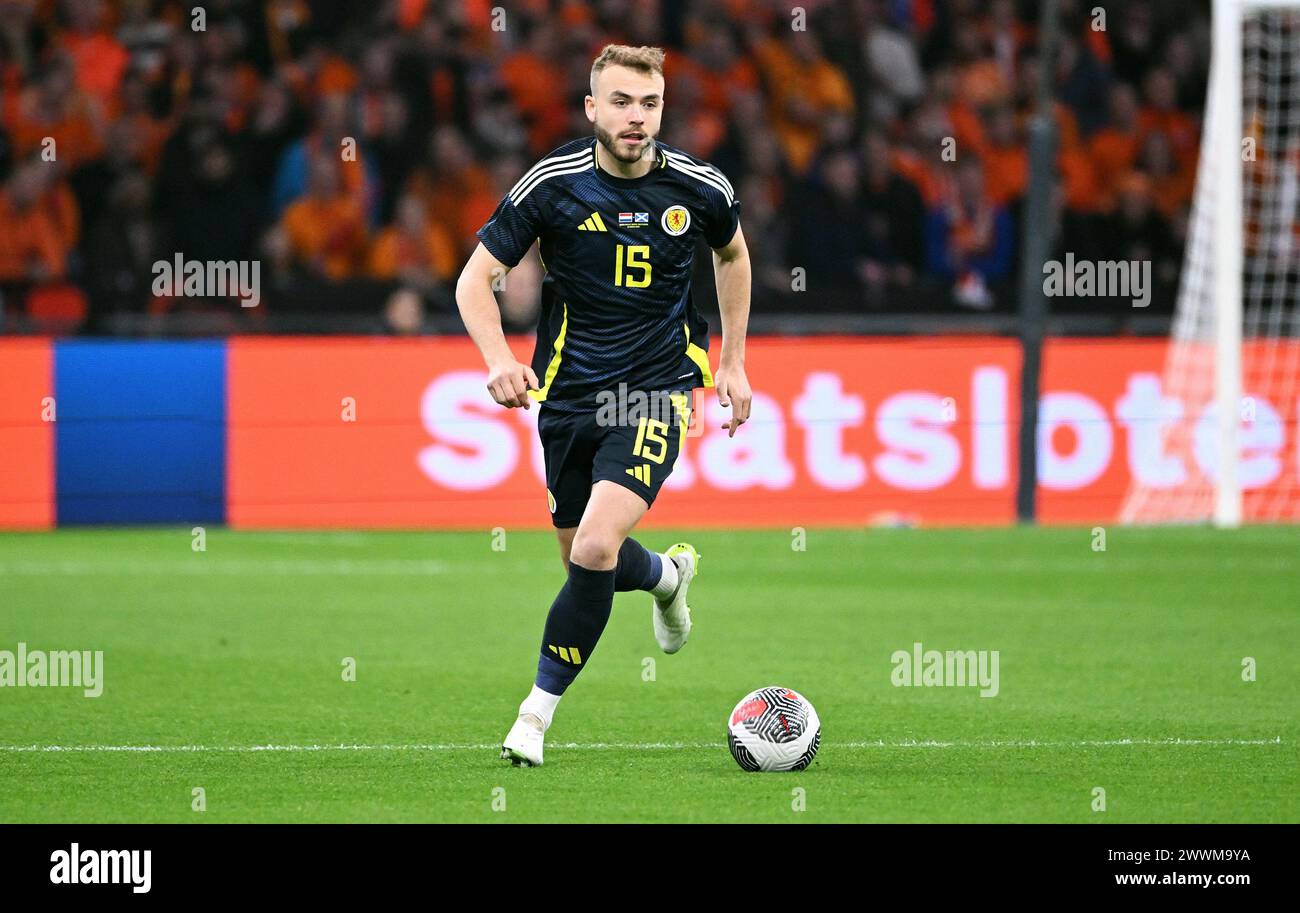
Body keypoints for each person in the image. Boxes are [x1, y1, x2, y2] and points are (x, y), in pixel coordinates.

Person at [455, 44, 752, 767]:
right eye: (620, 102)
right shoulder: (551, 185)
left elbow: (733, 255)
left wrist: (733, 363)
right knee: (585, 560)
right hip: (567, 395)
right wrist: (498, 361)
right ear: (592, 109)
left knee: (592, 546)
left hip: (654, 389)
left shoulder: (698, 187)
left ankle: (535, 715)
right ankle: (665, 577)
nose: (636, 117)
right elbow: (475, 279)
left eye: (648, 104)